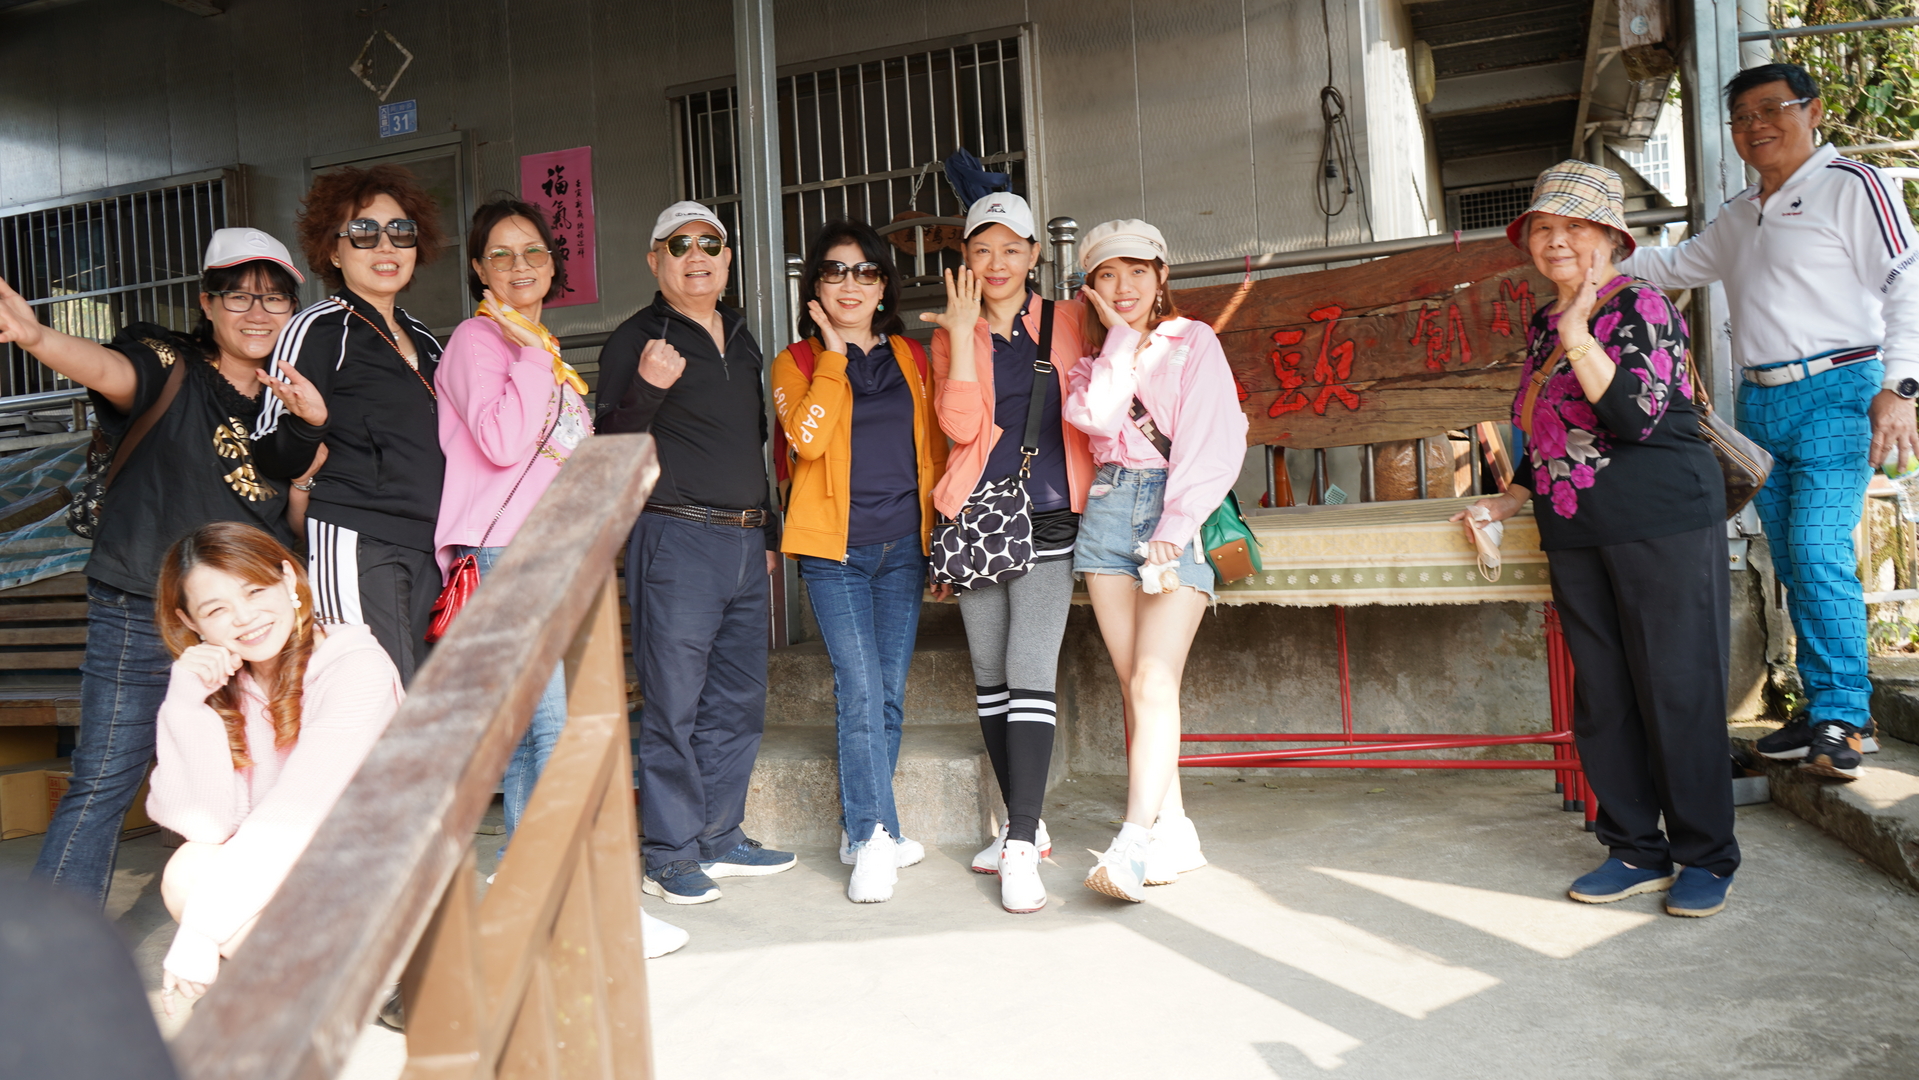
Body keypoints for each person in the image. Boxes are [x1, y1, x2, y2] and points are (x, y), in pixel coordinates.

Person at [0, 228, 323, 909]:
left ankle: (235, 929)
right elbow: (108, 370)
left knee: (249, 781)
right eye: (238, 296)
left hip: (242, 629)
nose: (257, 312)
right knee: (104, 780)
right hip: (142, 609)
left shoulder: (292, 404)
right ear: (207, 303)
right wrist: (37, 338)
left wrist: (306, 468)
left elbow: (289, 532)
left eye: (274, 298)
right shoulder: (168, 363)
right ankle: (55, 948)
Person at [1620, 63, 1919, 781]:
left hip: (1840, 389)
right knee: (1790, 557)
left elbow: (1907, 278)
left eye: (1771, 109)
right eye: (1741, 116)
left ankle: (1845, 716)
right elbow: (1672, 265)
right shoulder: (1739, 213)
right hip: (1759, 403)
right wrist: (1589, 250)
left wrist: (1902, 387)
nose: (1755, 126)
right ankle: (1822, 712)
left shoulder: (1852, 184)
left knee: (1816, 548)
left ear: (1811, 111)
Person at [1457, 160, 1737, 918]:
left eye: (1574, 227)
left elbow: (1633, 417)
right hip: (1574, 526)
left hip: (1660, 520)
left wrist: (1579, 332)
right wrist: (1511, 497)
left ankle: (1705, 854)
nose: (1556, 241)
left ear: (1611, 238)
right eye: (1543, 228)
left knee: (1676, 686)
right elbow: (1548, 425)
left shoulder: (1641, 304)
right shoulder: (1544, 322)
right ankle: (1634, 849)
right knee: (1605, 694)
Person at [596, 201, 795, 905]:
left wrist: (765, 532)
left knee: (737, 698)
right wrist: (647, 387)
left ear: (727, 258)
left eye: (710, 243)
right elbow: (608, 445)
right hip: (676, 538)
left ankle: (718, 834)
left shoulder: (741, 337)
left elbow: (752, 441)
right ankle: (670, 853)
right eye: (678, 245)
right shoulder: (634, 339)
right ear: (655, 260)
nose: (696, 256)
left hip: (743, 539)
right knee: (673, 704)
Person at [146, 522, 404, 1011]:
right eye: (217, 610)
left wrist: (201, 931)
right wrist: (184, 703)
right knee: (188, 868)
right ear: (191, 623)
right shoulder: (227, 684)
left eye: (254, 591)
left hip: (373, 874)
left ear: (288, 579)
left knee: (203, 896)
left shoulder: (355, 668)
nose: (245, 618)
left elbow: (297, 815)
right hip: (297, 877)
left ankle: (375, 979)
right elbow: (206, 825)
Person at [1063, 220, 1248, 903]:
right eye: (1107, 275)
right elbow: (1097, 419)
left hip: (1176, 511)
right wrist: (1118, 339)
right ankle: (1175, 828)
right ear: (1090, 287)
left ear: (1161, 275)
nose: (1124, 286)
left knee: (1151, 678)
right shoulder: (1089, 366)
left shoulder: (1193, 340)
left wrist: (1176, 523)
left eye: (1137, 271)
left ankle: (1133, 842)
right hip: (1107, 514)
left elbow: (1215, 438)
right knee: (1136, 685)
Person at [922, 192, 1093, 913]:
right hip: (978, 517)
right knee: (991, 675)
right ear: (965, 257)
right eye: (981, 249)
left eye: (1011, 249)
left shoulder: (1070, 319)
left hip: (1050, 513)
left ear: (1033, 255)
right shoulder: (949, 334)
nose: (996, 263)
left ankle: (1018, 840)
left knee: (1028, 669)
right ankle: (1030, 823)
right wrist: (963, 337)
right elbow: (960, 427)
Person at [771, 219, 948, 904]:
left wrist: (938, 538)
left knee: (889, 693)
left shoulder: (910, 355)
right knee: (861, 691)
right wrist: (835, 355)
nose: (851, 284)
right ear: (815, 286)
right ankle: (875, 837)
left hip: (903, 546)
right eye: (835, 271)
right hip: (834, 553)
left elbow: (934, 446)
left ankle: (862, 828)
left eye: (865, 271)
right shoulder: (796, 361)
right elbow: (807, 440)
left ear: (883, 287)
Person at [434, 196, 593, 841]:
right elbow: (501, 442)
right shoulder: (478, 340)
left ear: (552, 264)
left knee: (537, 726)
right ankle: (543, 881)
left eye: (532, 251)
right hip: (505, 552)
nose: (519, 264)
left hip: (549, 553)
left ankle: (524, 881)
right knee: (546, 726)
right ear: (479, 269)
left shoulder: (541, 347)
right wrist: (530, 357)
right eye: (500, 254)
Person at [252, 164, 448, 681]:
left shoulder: (426, 339)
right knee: (376, 694)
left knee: (422, 701)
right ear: (334, 252)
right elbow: (269, 448)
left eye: (400, 231)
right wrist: (310, 423)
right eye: (363, 232)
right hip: (357, 537)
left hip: (430, 542)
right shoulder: (317, 327)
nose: (385, 245)